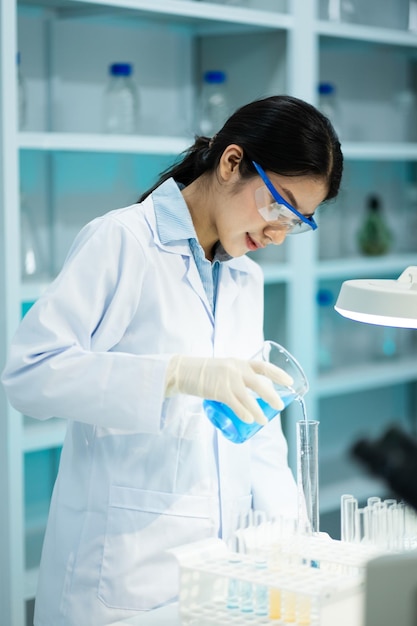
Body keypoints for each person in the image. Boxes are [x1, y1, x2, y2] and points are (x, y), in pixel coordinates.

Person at [1, 94, 343, 626]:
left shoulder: (243, 278)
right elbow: (28, 375)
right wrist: (173, 374)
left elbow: (257, 435)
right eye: (279, 206)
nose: (278, 233)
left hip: (215, 580)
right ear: (232, 163)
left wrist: (297, 546)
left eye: (297, 222)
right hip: (117, 580)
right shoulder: (122, 242)